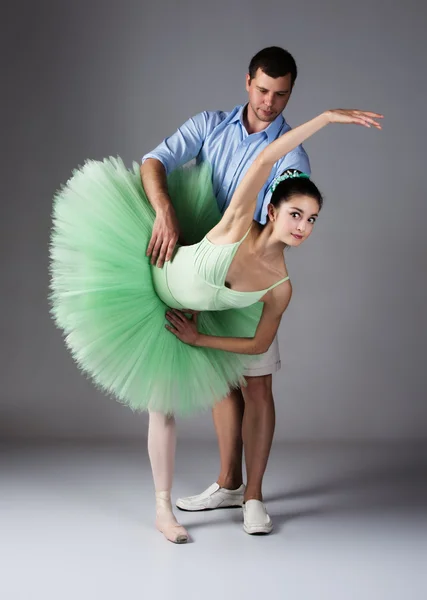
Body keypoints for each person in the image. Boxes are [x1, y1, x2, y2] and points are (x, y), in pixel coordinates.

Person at [50, 102, 382, 544]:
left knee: (167, 399)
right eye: (296, 215)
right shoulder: (237, 222)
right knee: (166, 397)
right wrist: (323, 120)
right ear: (274, 208)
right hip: (148, 270)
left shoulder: (280, 287)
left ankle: (187, 506)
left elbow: (257, 344)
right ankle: (195, 498)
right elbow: (264, 160)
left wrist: (198, 336)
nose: (303, 227)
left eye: (312, 220)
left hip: (187, 314)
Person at [140, 47, 309, 536]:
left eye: (280, 95)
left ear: (290, 94)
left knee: (256, 382)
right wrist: (165, 211)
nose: (269, 103)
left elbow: (287, 205)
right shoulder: (210, 124)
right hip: (194, 262)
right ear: (247, 81)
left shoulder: (291, 153)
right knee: (219, 379)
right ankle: (228, 483)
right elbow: (155, 160)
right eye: (261, 90)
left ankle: (254, 497)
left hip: (246, 275)